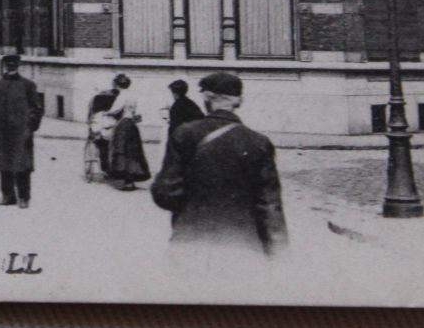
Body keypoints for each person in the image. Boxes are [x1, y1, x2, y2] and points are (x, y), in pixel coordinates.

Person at [151, 71, 288, 255]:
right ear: (239, 101)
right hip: (241, 246)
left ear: (206, 98)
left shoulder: (185, 134)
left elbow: (165, 193)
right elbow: (270, 205)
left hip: (190, 242)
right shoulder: (259, 142)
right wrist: (279, 256)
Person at [0, 53, 43, 207]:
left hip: (21, 132)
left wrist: (30, 128)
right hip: (2, 132)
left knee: (22, 165)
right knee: (4, 164)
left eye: (14, 64)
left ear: (18, 66)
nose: (11, 66)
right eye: (8, 63)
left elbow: (37, 109)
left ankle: (24, 197)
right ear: (4, 65)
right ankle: (7, 195)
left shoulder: (28, 85)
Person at [86, 73, 128, 174]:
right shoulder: (119, 97)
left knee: (102, 142)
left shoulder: (101, 96)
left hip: (103, 123)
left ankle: (107, 166)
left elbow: (92, 112)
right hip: (111, 124)